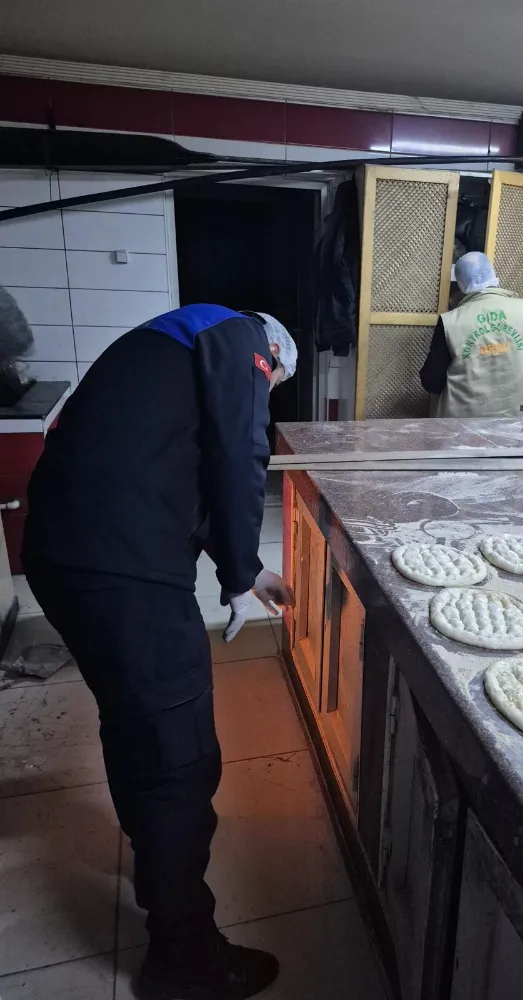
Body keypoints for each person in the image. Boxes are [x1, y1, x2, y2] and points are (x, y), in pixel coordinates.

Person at [22, 304, 293, 1000]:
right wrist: (237, 569)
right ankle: (185, 962)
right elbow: (240, 452)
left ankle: (156, 857)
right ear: (272, 357)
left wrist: (246, 571)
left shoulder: (170, 347)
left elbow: (175, 476)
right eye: (271, 383)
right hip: (122, 571)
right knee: (179, 760)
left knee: (135, 724)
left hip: (65, 556)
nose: (263, 391)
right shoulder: (238, 335)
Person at [419, 251, 523, 418]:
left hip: (463, 424)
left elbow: (432, 381)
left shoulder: (450, 321)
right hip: (517, 421)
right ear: (493, 275)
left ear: (461, 285)